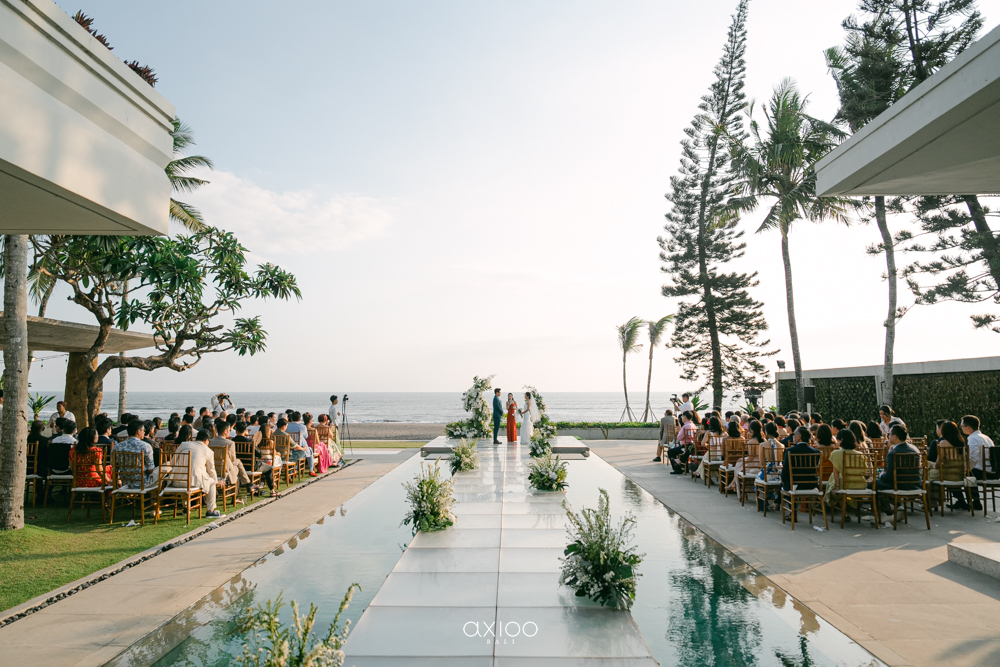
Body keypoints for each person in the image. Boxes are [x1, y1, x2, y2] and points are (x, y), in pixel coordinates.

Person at [171, 428, 225, 518]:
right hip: (192, 483)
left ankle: (186, 508)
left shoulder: (183, 444)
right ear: (207, 440)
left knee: (189, 477)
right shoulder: (208, 451)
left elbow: (173, 462)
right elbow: (211, 470)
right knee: (212, 482)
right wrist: (216, 482)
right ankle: (210, 510)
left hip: (175, 481)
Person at [211, 419, 254, 500]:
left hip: (213, 469)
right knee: (237, 465)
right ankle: (245, 486)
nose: (230, 432)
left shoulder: (210, 442)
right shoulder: (230, 443)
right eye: (229, 430)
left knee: (237, 464)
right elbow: (233, 459)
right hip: (225, 471)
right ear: (225, 431)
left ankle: (248, 484)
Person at [929, 420, 968, 509]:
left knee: (928, 475)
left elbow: (938, 462)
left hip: (947, 475)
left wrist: (933, 465)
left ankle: (931, 501)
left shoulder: (943, 443)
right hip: (960, 474)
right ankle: (961, 501)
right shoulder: (961, 442)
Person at [112, 420, 159, 490]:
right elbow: (150, 470)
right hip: (143, 483)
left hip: (125, 483)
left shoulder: (117, 447)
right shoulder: (145, 446)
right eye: (143, 430)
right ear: (138, 431)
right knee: (164, 468)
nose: (144, 432)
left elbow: (114, 468)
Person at [962, 414, 995, 511]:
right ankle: (975, 502)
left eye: (962, 426)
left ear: (968, 428)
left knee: (966, 476)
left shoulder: (973, 439)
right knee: (970, 473)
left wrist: (967, 468)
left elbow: (973, 458)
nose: (961, 428)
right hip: (991, 471)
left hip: (982, 472)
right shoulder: (986, 437)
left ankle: (973, 502)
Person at [234, 421, 275, 495]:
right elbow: (259, 454)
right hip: (251, 466)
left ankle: (250, 488)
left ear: (236, 430)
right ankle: (272, 490)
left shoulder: (232, 442)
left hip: (238, 466)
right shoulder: (249, 441)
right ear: (245, 430)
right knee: (269, 468)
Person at [875, 424, 920, 491]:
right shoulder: (915, 449)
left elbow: (889, 477)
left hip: (899, 486)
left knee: (873, 484)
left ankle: (882, 501)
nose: (888, 436)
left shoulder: (893, 453)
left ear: (895, 437)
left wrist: (881, 475)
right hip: (915, 485)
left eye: (889, 434)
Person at [781, 426, 820, 492]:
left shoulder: (790, 451)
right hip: (811, 484)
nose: (793, 436)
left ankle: (779, 501)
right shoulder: (816, 452)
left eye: (795, 434)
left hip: (794, 484)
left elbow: (785, 470)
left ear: (799, 437)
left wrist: (783, 479)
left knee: (783, 482)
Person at [285, 412, 316, 476]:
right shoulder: (303, 427)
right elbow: (306, 436)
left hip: (290, 448)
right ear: (299, 419)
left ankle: (295, 470)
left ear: (291, 419)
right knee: (310, 450)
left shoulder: (287, 427)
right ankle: (311, 469)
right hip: (300, 448)